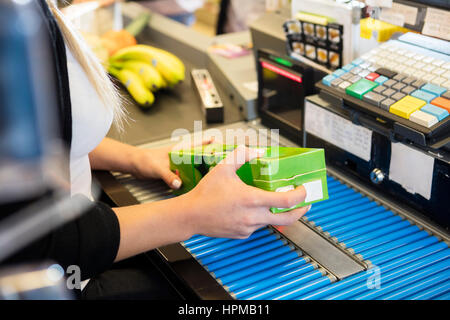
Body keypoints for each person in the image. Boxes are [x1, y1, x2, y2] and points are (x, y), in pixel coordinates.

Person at [1, 0, 310, 299]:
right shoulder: (11, 24)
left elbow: (46, 139)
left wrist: (136, 158)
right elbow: (39, 243)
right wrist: (193, 213)